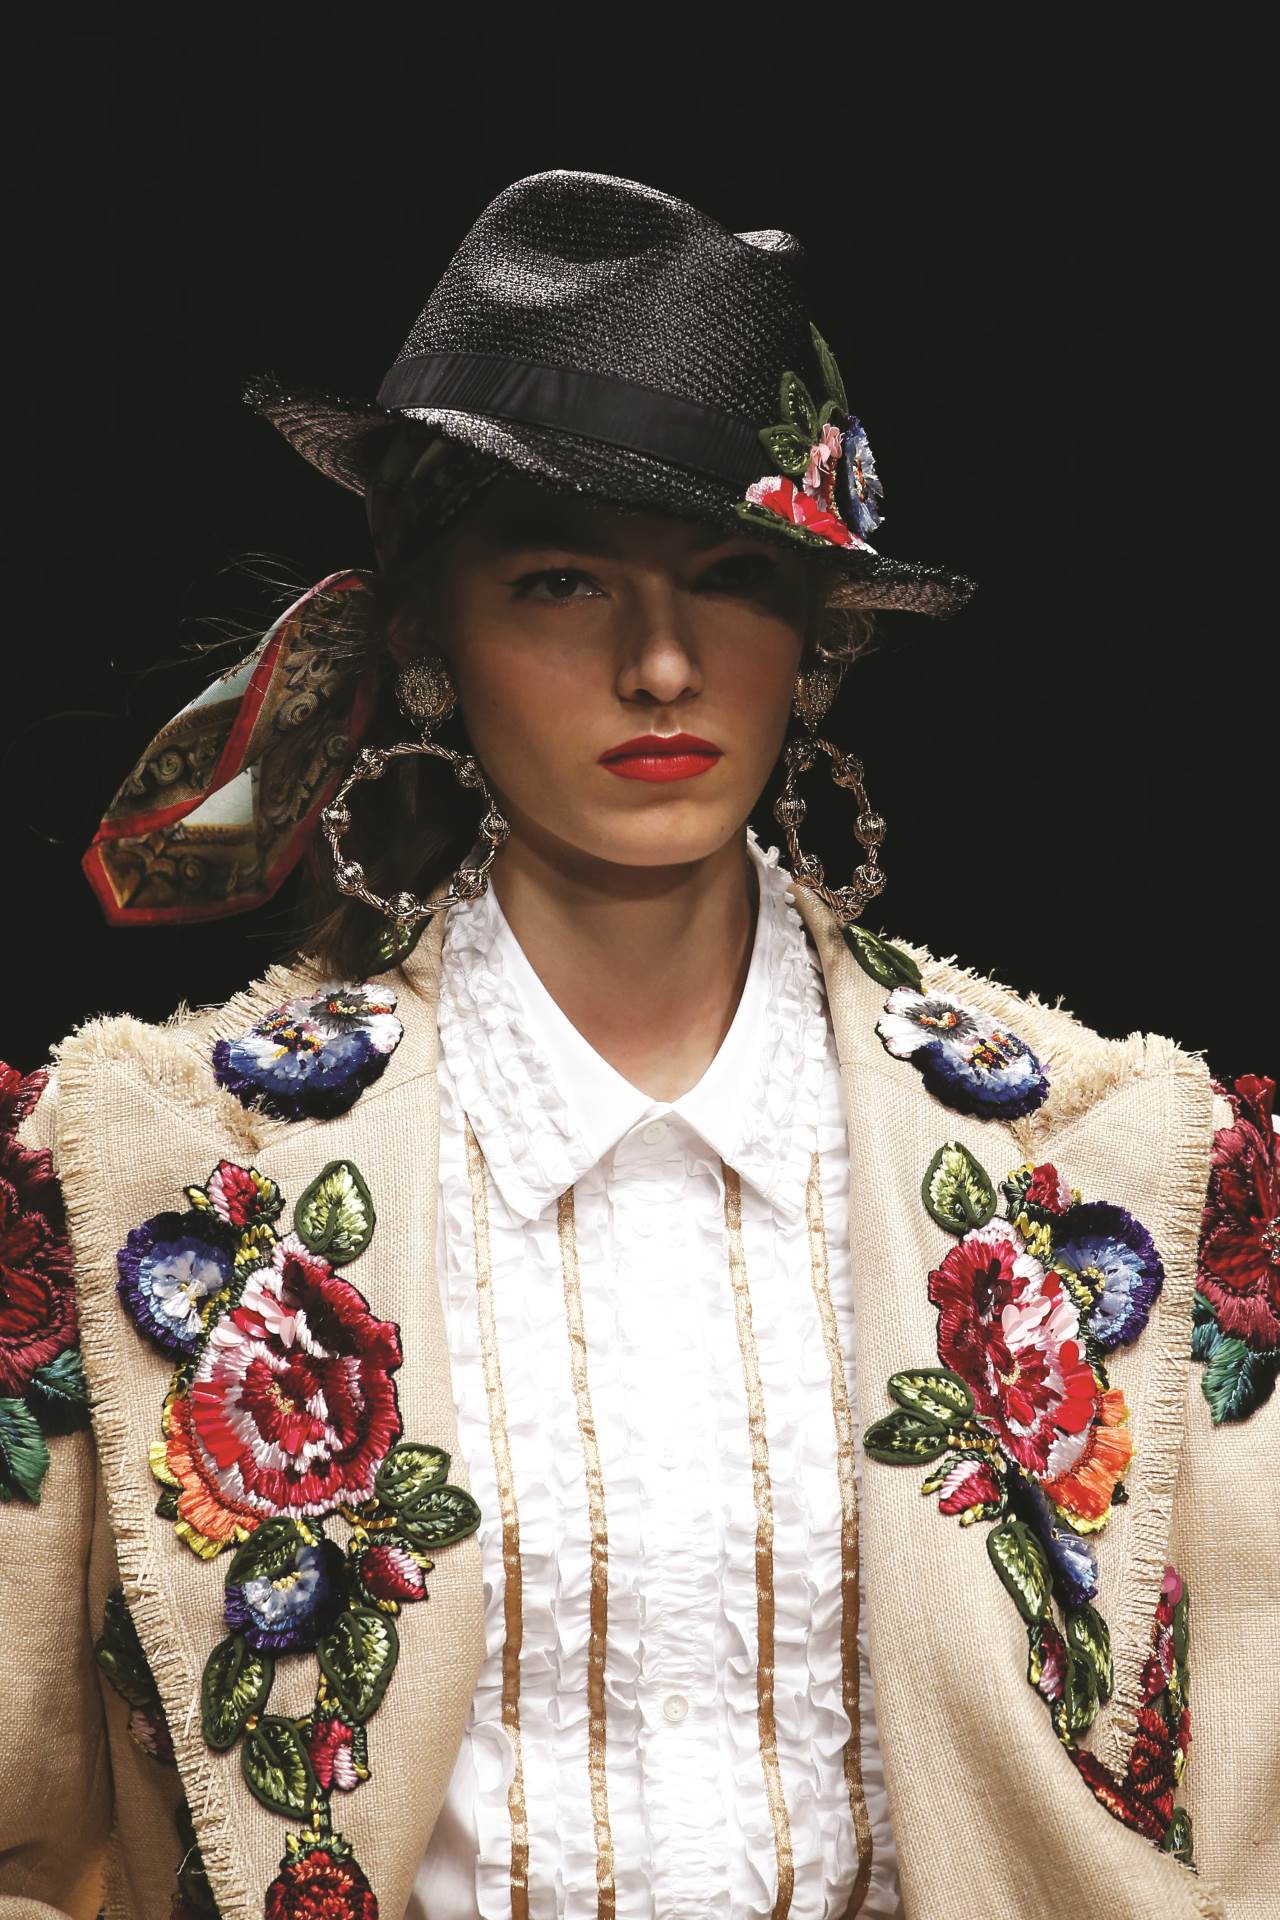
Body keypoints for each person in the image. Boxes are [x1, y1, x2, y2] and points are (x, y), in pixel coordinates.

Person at [0, 170, 1274, 1920]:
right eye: (560, 582)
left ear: (815, 639)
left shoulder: (1133, 1169)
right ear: (430, 635)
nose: (663, 663)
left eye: (732, 581)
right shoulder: (132, 1181)